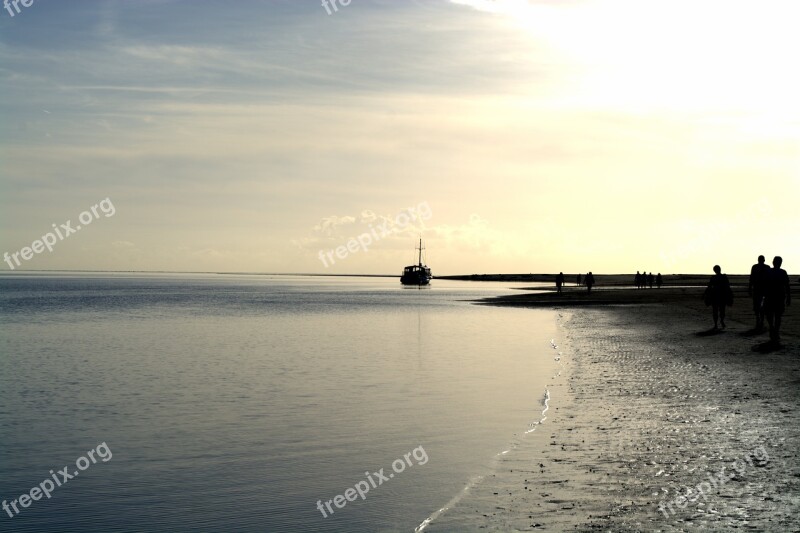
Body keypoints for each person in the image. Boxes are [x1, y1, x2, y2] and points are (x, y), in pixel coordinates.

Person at [764, 256, 791, 344]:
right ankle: (774, 330)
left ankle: (773, 329)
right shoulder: (781, 272)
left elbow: (786, 285)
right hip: (777, 296)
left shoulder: (769, 271)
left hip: (772, 296)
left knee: (772, 315)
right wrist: (788, 297)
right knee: (777, 315)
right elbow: (787, 286)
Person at [703, 265, 733, 329]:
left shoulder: (713, 277)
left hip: (715, 295)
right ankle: (721, 321)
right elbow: (728, 286)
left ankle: (716, 324)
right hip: (722, 295)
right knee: (722, 310)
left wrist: (705, 294)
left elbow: (709, 286)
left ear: (714, 270)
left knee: (715, 310)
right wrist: (730, 294)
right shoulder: (724, 277)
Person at [748, 255, 771, 331]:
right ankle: (760, 320)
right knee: (760, 306)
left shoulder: (755, 267)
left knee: (758, 305)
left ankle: (759, 320)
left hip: (759, 289)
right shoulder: (766, 267)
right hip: (762, 289)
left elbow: (751, 279)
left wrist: (750, 288)